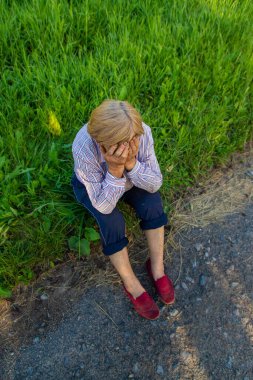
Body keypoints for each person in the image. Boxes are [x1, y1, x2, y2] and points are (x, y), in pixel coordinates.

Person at [71, 99, 175, 320]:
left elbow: (154, 182)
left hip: (129, 175)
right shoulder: (83, 147)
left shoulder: (141, 132)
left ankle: (157, 269)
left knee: (152, 204)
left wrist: (130, 165)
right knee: (111, 222)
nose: (130, 146)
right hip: (97, 188)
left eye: (133, 140)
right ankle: (131, 283)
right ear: (101, 143)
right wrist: (115, 168)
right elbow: (104, 205)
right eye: (122, 145)